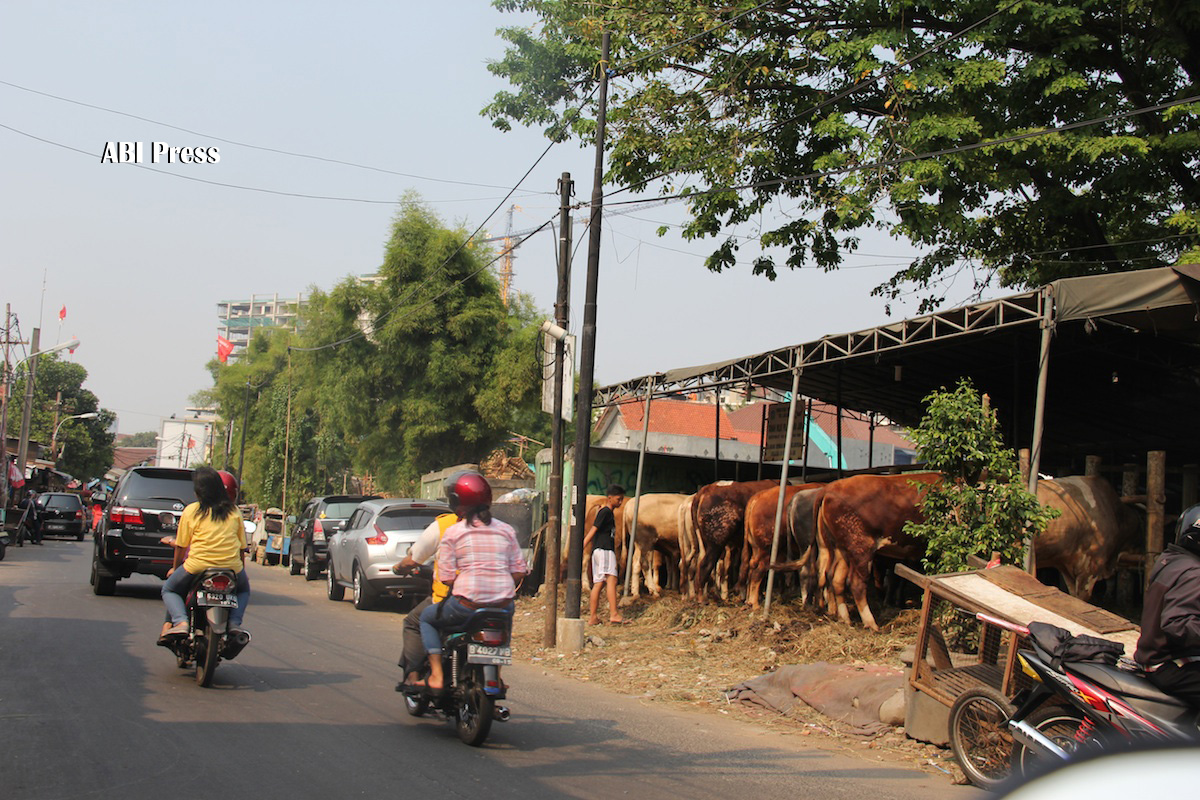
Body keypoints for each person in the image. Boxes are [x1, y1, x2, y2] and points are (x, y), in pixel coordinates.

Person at [416, 471, 526, 691]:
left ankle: (437, 676)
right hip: (503, 606)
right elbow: (519, 571)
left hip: (466, 606)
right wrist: (499, 586)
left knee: (427, 619)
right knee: (504, 626)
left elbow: (446, 578)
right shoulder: (506, 530)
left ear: (457, 502)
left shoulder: (454, 532)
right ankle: (497, 676)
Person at [159, 467, 251, 641]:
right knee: (244, 590)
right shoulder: (234, 511)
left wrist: (175, 568)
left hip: (197, 566)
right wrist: (240, 573)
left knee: (169, 589)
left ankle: (181, 622)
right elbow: (241, 548)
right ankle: (234, 623)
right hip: (231, 567)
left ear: (199, 491)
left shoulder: (192, 511)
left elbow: (181, 546)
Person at [1134, 503, 1200, 707]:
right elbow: (1177, 624)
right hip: (1168, 665)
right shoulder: (1194, 573)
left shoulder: (1171, 560)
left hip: (1152, 655)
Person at [393, 505, 459, 687]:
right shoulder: (498, 528)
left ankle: (414, 676)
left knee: (415, 621)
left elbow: (414, 559)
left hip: (454, 600)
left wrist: (398, 568)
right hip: (495, 604)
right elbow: (519, 571)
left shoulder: (447, 527)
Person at [584, 484, 626, 625]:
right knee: (612, 580)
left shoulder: (606, 512)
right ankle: (614, 614)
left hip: (599, 550)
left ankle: (593, 617)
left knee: (599, 583)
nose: (620, 502)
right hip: (605, 550)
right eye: (618, 499)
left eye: (621, 499)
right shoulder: (606, 512)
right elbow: (594, 529)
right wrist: (583, 544)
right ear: (610, 498)